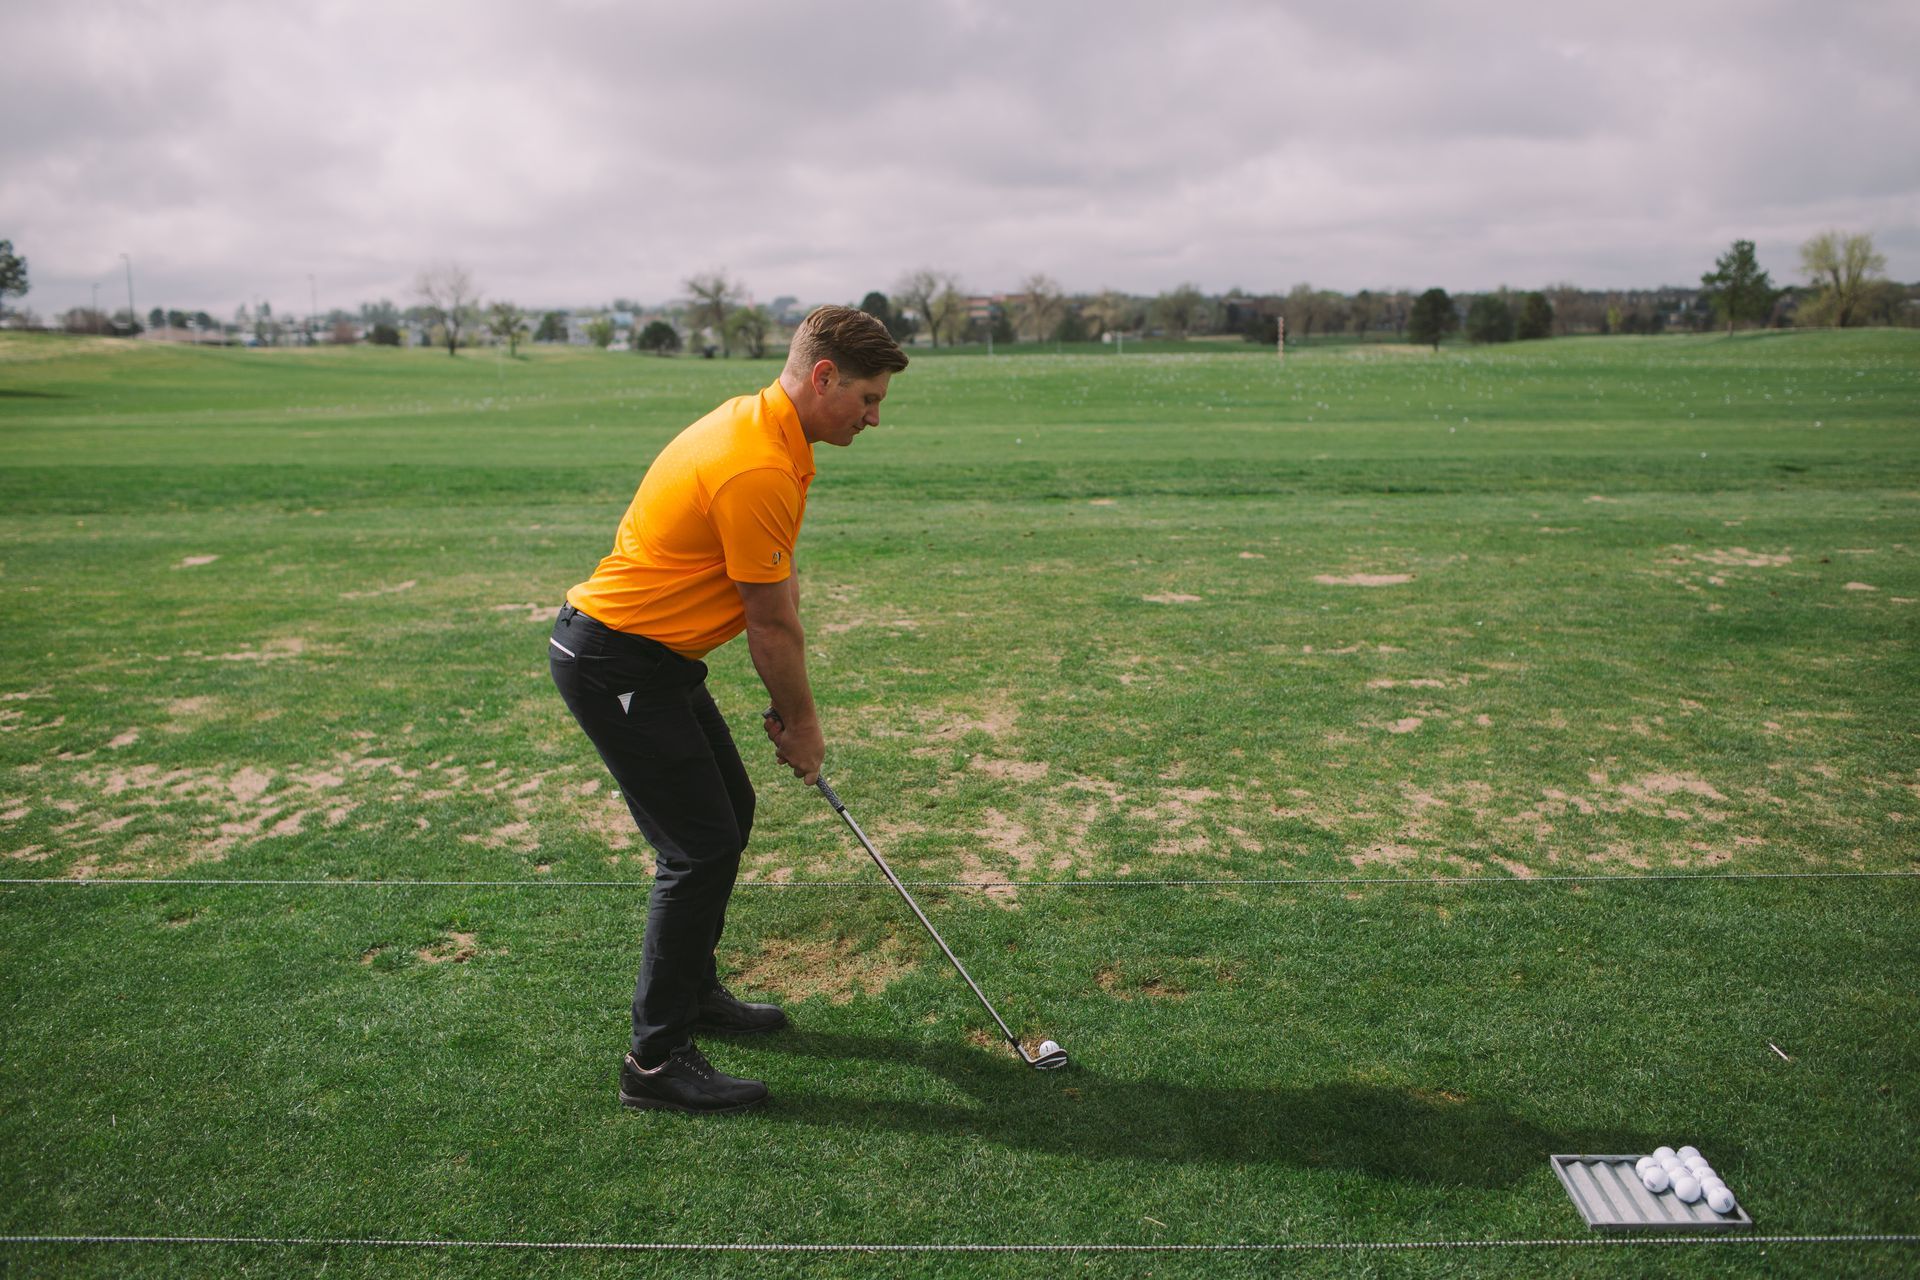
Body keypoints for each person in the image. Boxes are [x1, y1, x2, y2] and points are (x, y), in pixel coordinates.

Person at [549, 305, 908, 1114]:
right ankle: (654, 1063)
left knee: (728, 814)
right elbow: (770, 625)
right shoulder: (755, 463)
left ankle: (693, 991)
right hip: (616, 662)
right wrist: (804, 727)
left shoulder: (770, 433)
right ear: (824, 378)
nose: (875, 418)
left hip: (654, 659)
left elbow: (773, 588)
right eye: (868, 399)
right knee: (699, 846)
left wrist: (791, 711)